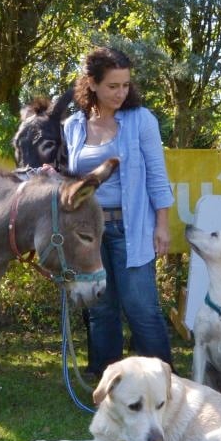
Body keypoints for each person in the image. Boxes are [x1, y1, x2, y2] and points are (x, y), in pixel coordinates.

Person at [63, 46, 175, 377]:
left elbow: (157, 176)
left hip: (132, 228)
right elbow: (71, 177)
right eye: (113, 86)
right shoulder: (73, 126)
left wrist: (162, 225)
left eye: (126, 85)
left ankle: (164, 381)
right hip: (88, 233)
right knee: (100, 308)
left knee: (141, 307)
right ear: (92, 84)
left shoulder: (141, 121)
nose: (121, 93)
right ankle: (106, 380)